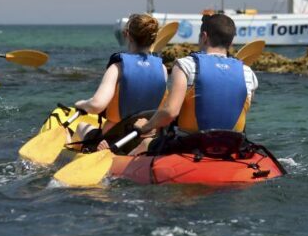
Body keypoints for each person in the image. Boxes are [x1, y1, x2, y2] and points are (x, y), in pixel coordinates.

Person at [132, 13, 258, 154]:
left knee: (146, 143)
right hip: (232, 147)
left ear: (204, 36)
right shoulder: (248, 73)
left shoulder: (186, 65)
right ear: (231, 42)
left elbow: (170, 112)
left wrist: (146, 126)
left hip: (190, 145)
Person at [73, 13, 168, 150]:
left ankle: (75, 150)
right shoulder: (163, 69)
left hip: (115, 139)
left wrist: (81, 104)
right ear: (153, 37)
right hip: (146, 135)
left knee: (82, 126)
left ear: (127, 34)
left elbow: (97, 105)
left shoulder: (117, 67)